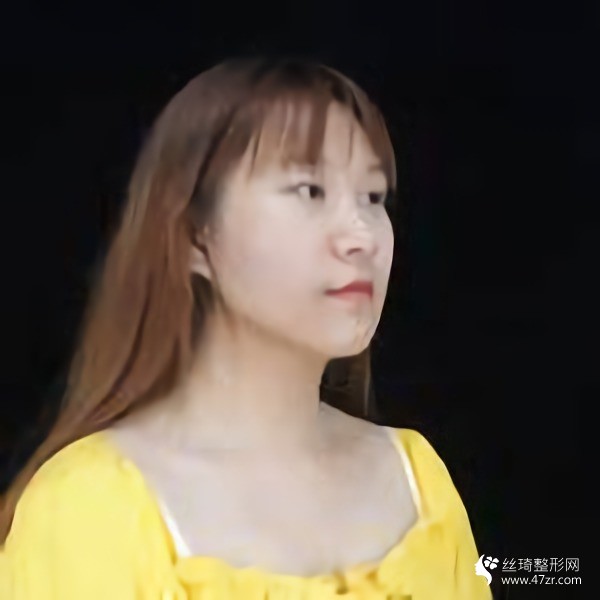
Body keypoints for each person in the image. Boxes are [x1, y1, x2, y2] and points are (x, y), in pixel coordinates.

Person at [0, 57, 492, 599]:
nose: (362, 236)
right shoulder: (86, 508)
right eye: (309, 190)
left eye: (373, 197)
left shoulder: (417, 480)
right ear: (194, 235)